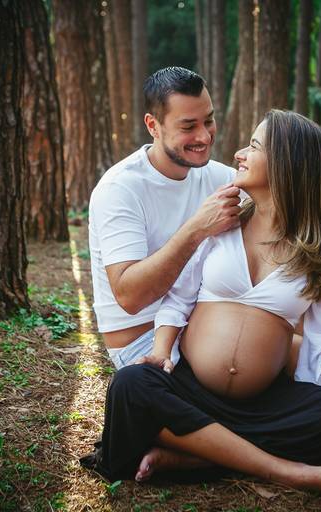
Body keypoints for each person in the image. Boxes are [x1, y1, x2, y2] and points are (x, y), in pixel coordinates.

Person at [90, 110, 321, 505]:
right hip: (192, 388)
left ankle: (198, 456)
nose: (238, 153)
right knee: (131, 386)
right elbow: (178, 299)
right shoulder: (223, 223)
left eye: (254, 146)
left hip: (266, 403)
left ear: (286, 164)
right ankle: (286, 469)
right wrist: (161, 352)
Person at [88, 67, 240, 370]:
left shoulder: (224, 178)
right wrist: (197, 229)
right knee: (139, 389)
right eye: (188, 126)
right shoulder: (120, 188)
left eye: (208, 120)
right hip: (141, 342)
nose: (204, 135)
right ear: (153, 126)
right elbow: (129, 296)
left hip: (212, 326)